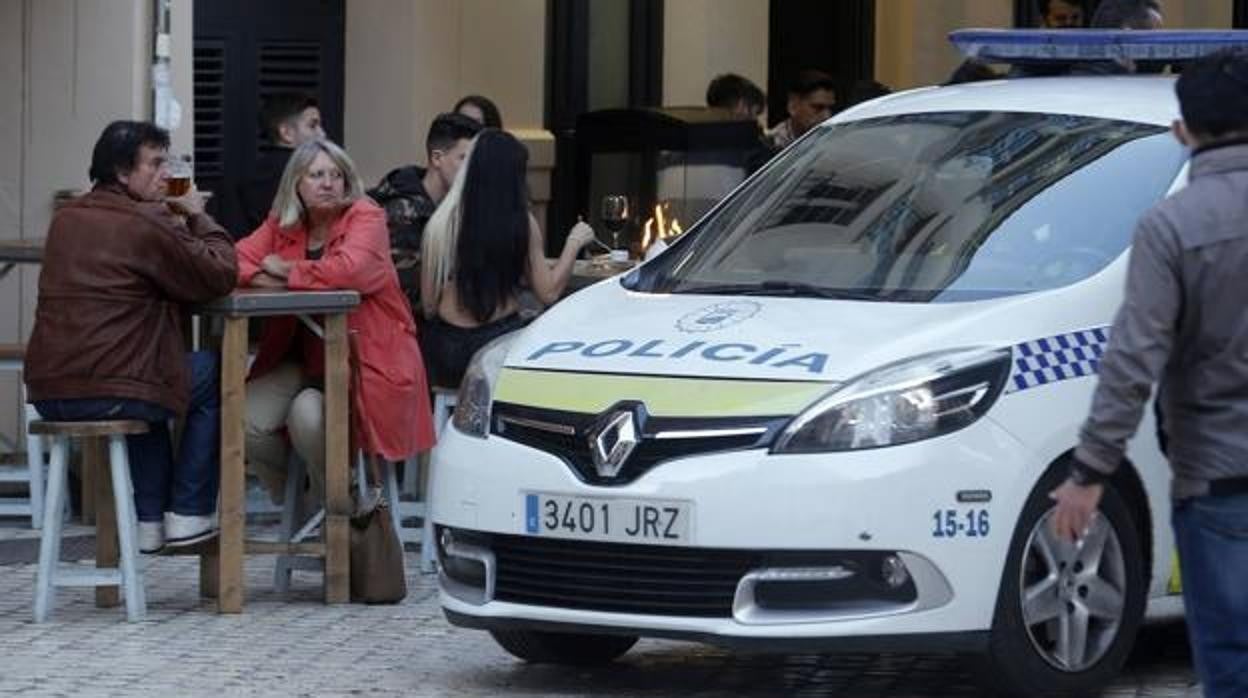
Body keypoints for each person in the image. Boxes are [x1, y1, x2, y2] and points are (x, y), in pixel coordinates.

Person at [1049, 49, 1248, 697]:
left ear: (1183, 130)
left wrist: (1090, 474)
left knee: (1230, 659)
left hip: (1219, 477)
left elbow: (1134, 357)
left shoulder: (1172, 225)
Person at [24, 120, 238, 553]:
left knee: (154, 378)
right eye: (155, 164)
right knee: (211, 374)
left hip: (49, 390)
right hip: (112, 389)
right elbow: (220, 273)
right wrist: (197, 214)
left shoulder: (65, 219)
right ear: (123, 173)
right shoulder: (148, 221)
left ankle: (147, 518)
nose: (166, 174)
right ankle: (189, 513)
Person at [235, 139, 435, 502]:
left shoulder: (366, 216)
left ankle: (338, 511)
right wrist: (271, 277)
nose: (328, 183)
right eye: (316, 175)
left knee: (306, 417)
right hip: (300, 359)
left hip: (366, 361)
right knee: (242, 417)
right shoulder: (283, 223)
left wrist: (289, 271)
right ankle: (309, 499)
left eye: (336, 175)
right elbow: (235, 261)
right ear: (296, 183)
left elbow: (352, 270)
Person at [420, 130, 595, 388]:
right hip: (494, 350)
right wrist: (574, 242)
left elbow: (429, 305)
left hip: (446, 353)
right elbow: (548, 292)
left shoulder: (441, 222)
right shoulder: (521, 223)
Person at [367, 113, 483, 311]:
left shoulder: (459, 205)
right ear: (437, 158)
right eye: (464, 159)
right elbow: (408, 293)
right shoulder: (402, 212)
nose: (472, 169)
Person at [236, 92, 326, 237]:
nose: (322, 134)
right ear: (286, 133)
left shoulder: (246, 174)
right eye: (313, 125)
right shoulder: (306, 172)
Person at [764, 69, 837, 150]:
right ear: (793, 105)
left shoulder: (833, 141)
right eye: (818, 107)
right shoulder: (769, 147)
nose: (827, 116)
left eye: (830, 108)